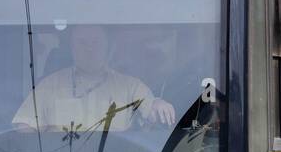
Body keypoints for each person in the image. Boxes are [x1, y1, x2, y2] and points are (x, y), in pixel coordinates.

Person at [12, 24, 176, 133]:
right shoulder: (49, 85)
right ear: (72, 47)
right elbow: (23, 126)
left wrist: (158, 105)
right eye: (82, 43)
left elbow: (152, 111)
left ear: (107, 46)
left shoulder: (130, 86)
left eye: (96, 42)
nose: (89, 48)